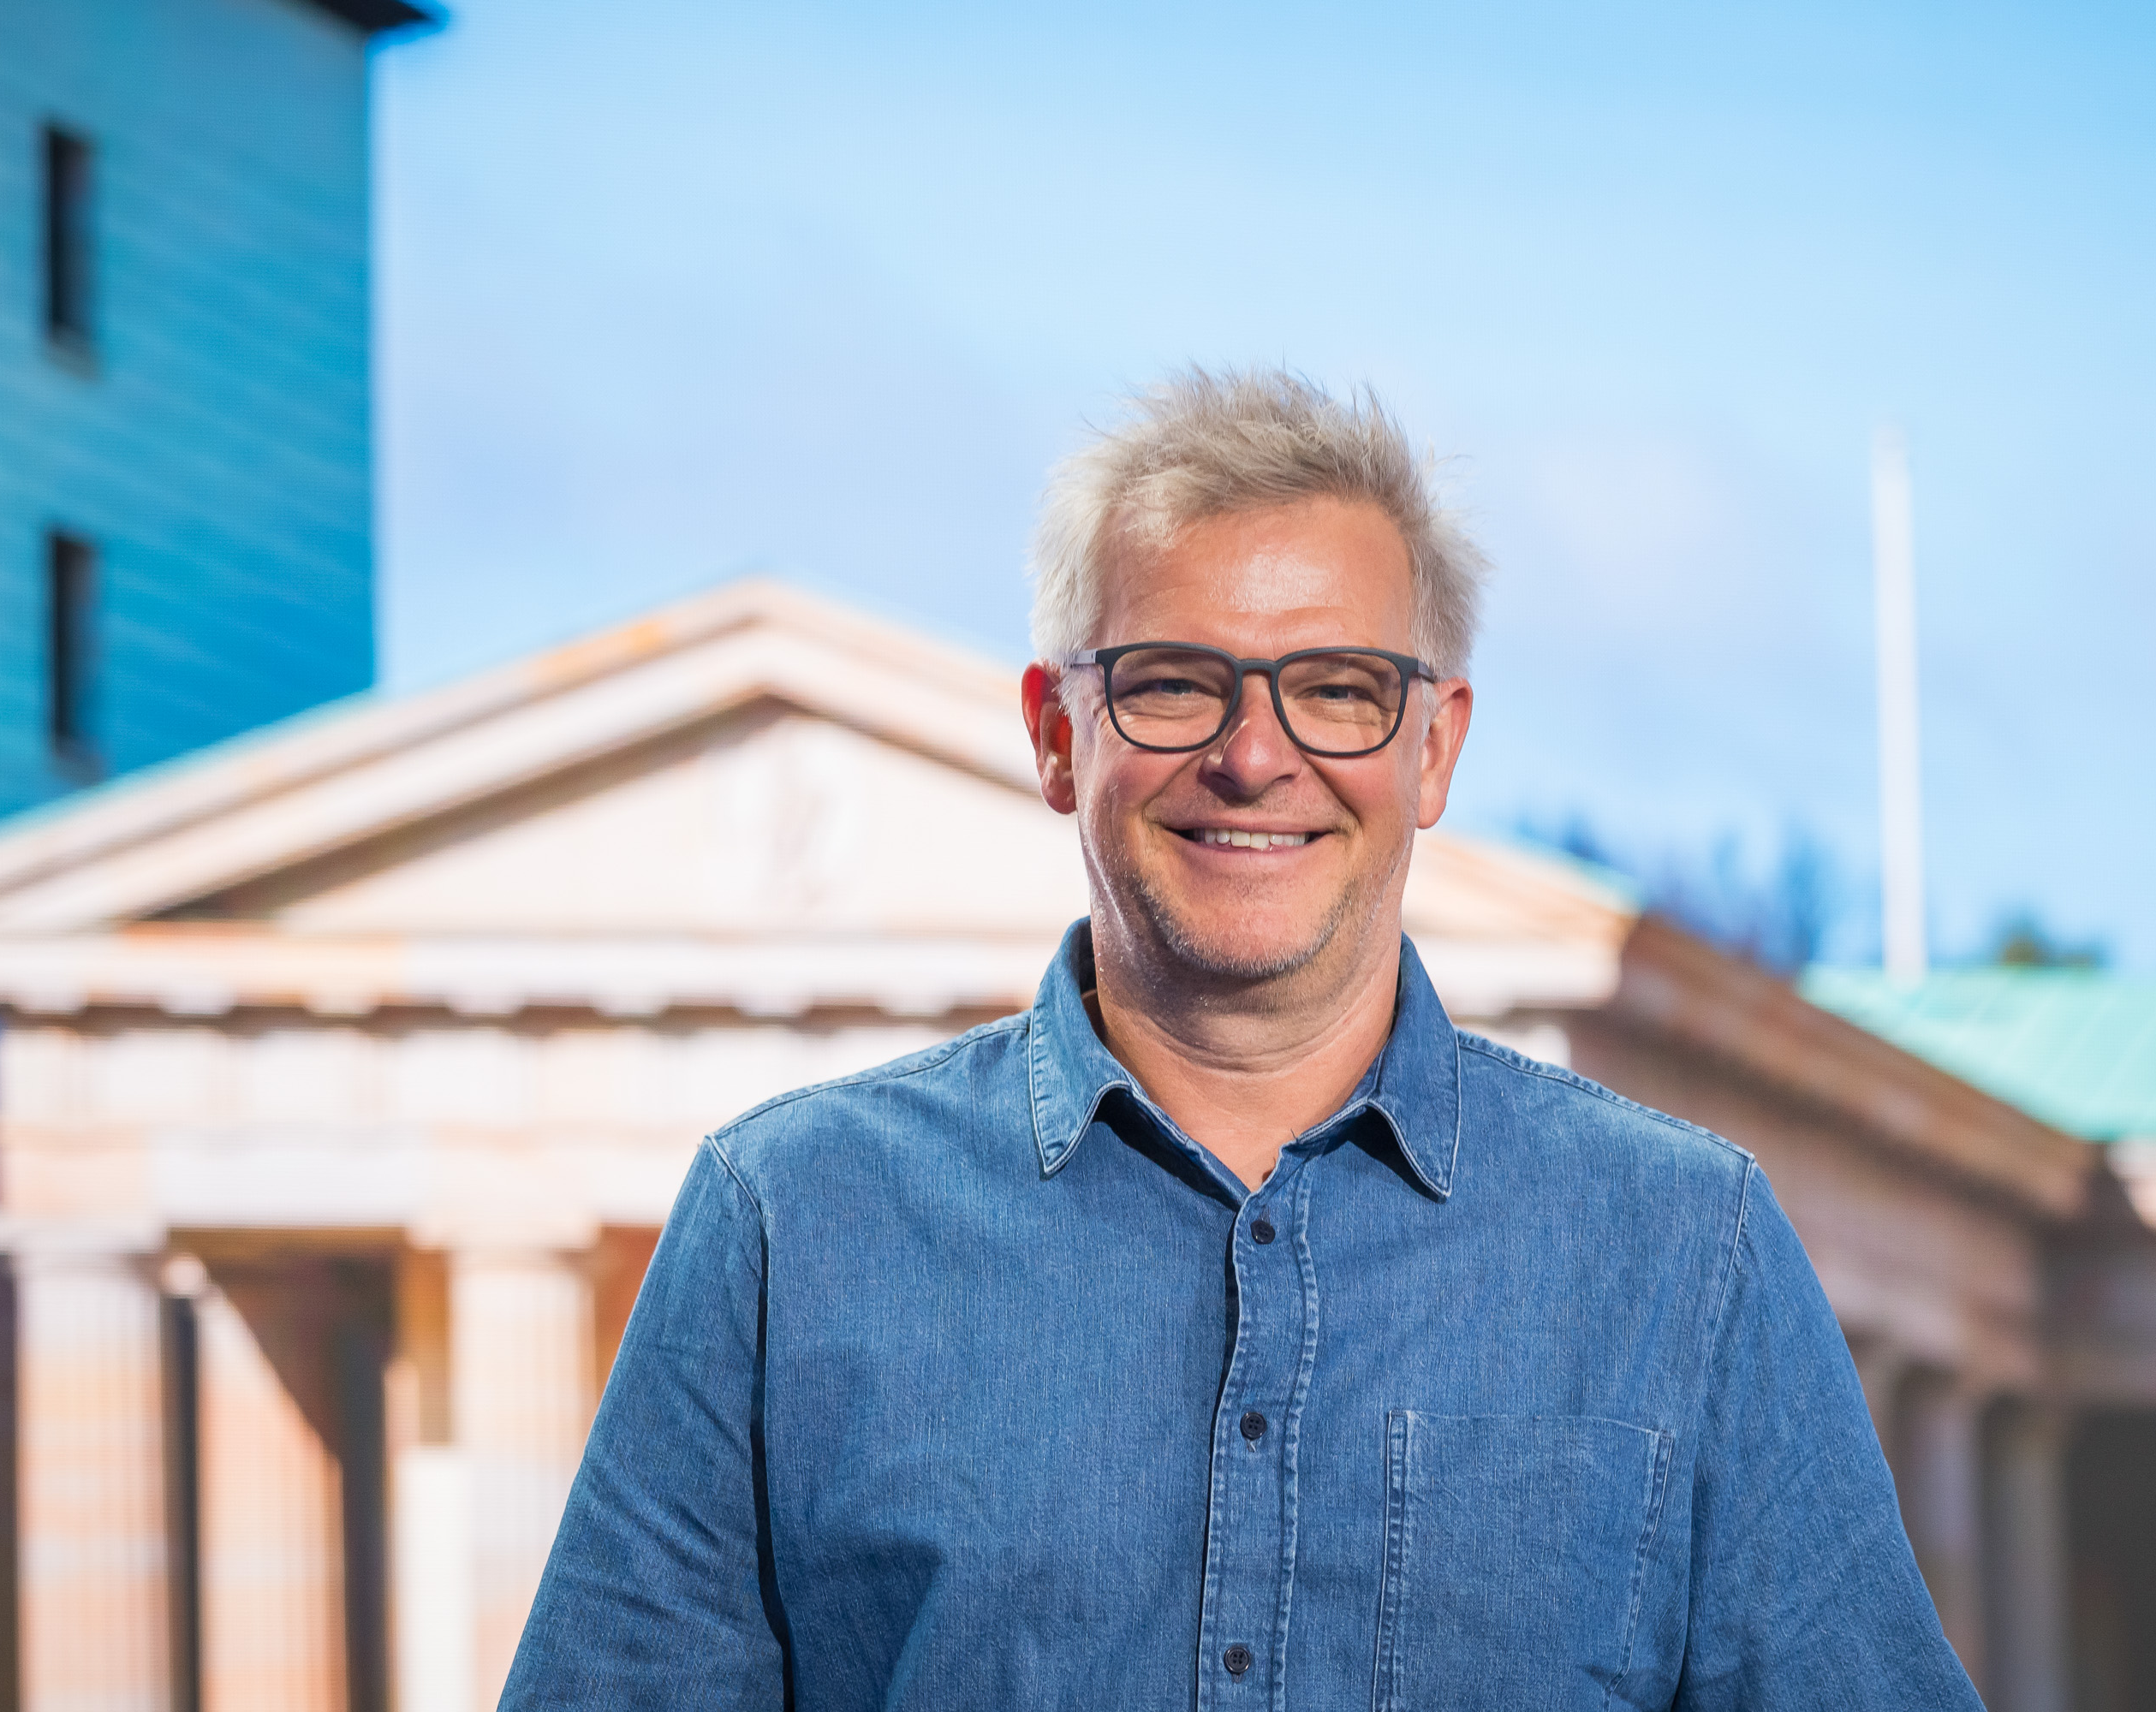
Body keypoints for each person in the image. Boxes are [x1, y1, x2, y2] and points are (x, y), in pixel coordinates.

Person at [502, 368, 1979, 1709]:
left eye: (1338, 689)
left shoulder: (1681, 1251)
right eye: (1172, 681)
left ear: (1434, 747)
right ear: (1056, 734)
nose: (1254, 753)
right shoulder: (790, 1228)